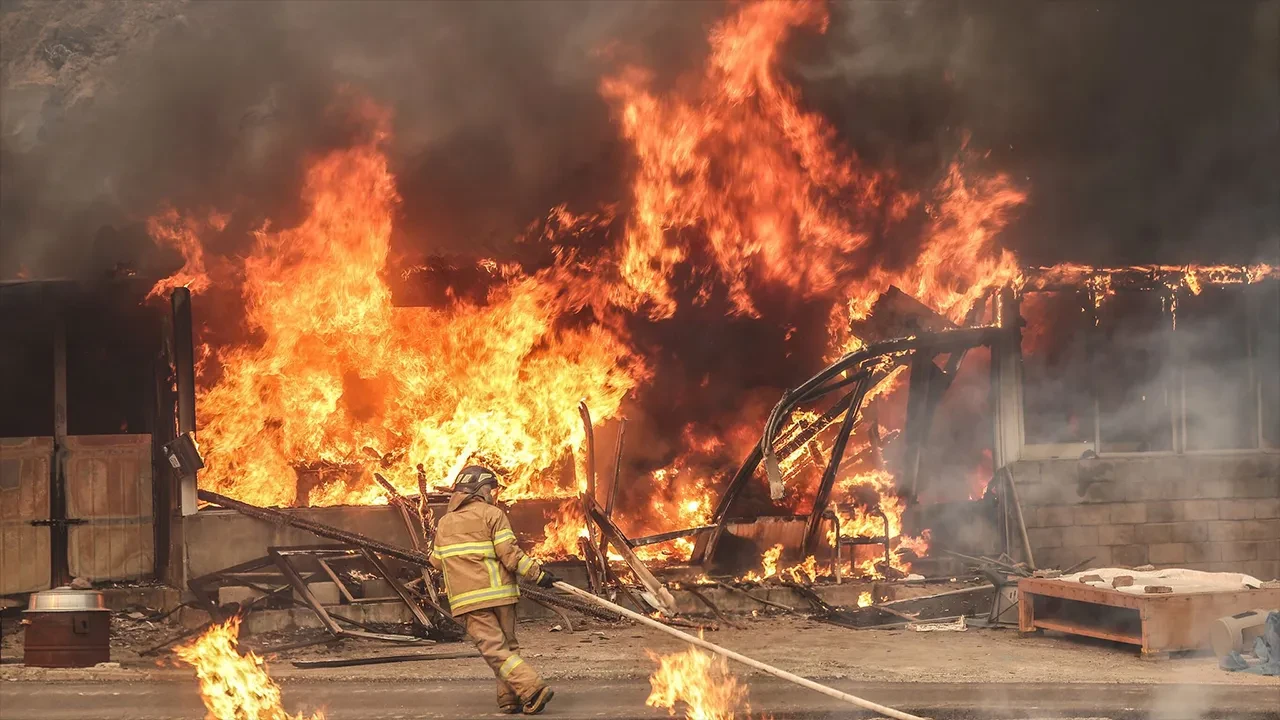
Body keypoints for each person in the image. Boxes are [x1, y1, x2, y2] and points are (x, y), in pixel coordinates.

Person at [430, 465, 559, 715]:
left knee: (495, 650)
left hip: (469, 600)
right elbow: (510, 555)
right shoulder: (493, 514)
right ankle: (509, 698)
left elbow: (436, 561)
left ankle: (532, 688)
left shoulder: (444, 523)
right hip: (501, 595)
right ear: (478, 490)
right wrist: (538, 574)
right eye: (490, 488)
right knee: (507, 648)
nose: (493, 494)